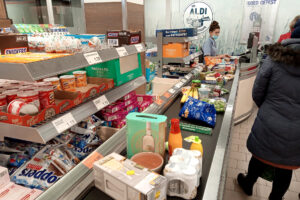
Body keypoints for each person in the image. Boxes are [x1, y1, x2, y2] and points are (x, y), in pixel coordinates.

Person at [237, 19, 300, 200]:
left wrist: (269, 109)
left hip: (270, 121)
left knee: (259, 157)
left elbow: (257, 91)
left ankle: (248, 184)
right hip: (297, 130)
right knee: (285, 167)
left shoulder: (275, 57)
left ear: (292, 32)